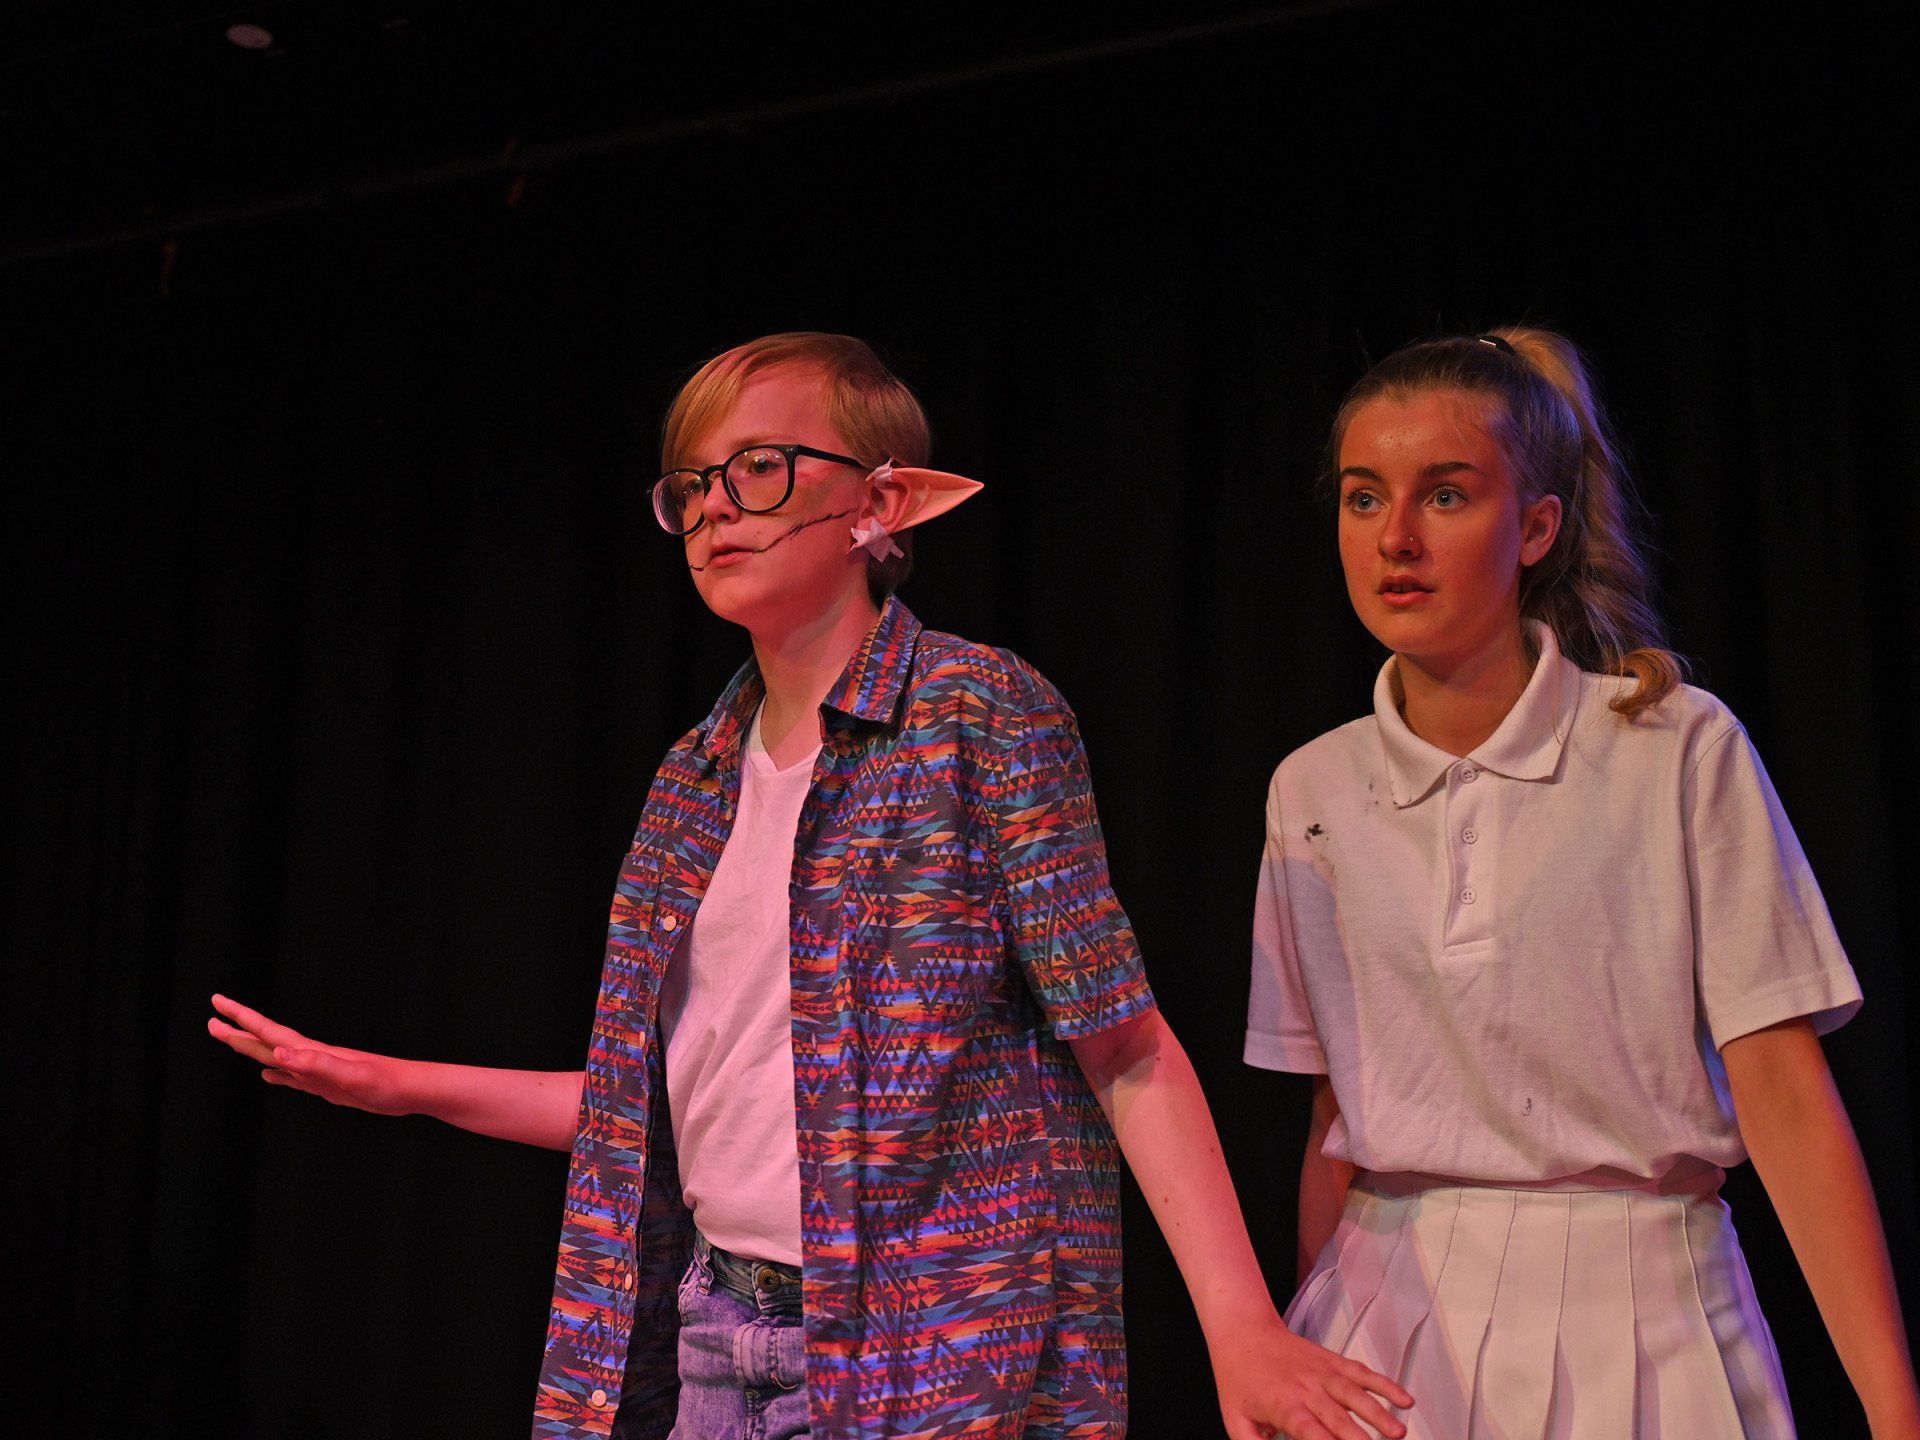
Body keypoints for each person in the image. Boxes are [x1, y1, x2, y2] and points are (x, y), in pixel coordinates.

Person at [212, 331, 1414, 1440]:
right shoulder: (693, 780)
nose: (714, 508)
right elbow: (661, 1108)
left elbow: (1125, 1045)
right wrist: (393, 1085)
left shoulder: (976, 715)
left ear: (880, 504)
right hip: (716, 1336)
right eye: (693, 485)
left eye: (761, 468)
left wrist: (1239, 1328)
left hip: (920, 1356)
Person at [1245, 326, 1920, 1437]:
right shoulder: (1311, 788)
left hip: (1646, 1309)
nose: (1396, 537)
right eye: (1364, 499)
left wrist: (1892, 1413)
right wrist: (1305, 1358)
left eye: (1446, 496)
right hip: (1387, 1320)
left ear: (1537, 527)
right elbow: (1337, 1118)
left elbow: (1785, 1093)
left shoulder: (1673, 748)